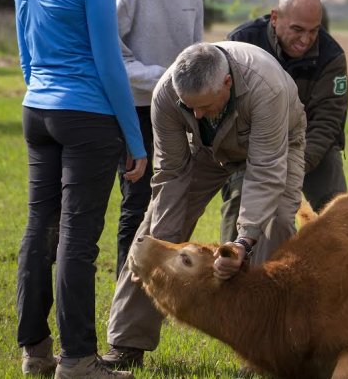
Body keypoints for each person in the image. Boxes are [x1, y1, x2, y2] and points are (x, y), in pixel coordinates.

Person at [101, 41, 306, 369]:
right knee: (152, 231)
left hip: (277, 144)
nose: (196, 114)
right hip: (208, 148)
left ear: (226, 83)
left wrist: (242, 242)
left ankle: (266, 348)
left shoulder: (266, 87)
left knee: (275, 223)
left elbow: (265, 171)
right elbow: (170, 173)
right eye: (189, 107)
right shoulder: (166, 95)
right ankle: (127, 342)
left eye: (204, 106)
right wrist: (163, 244)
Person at [14, 0, 146, 377]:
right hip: (87, 117)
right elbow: (111, 67)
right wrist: (135, 139)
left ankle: (34, 352)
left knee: (38, 228)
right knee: (77, 240)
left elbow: (26, 49)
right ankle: (78, 362)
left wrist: (42, 93)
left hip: (37, 110)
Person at [113, 0, 203, 278]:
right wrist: (164, 78)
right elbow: (112, 56)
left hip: (179, 111)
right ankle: (126, 285)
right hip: (135, 111)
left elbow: (196, 47)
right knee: (136, 203)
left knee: (172, 201)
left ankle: (158, 283)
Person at [219, 0, 348, 242]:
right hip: (251, 143)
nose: (306, 39)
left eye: (314, 31)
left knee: (338, 211)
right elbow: (225, 108)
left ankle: (336, 269)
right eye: (298, 29)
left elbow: (328, 121)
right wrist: (261, 162)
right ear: (275, 18)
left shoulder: (331, 56)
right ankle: (232, 264)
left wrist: (295, 166)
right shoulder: (240, 43)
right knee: (241, 200)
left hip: (310, 145)